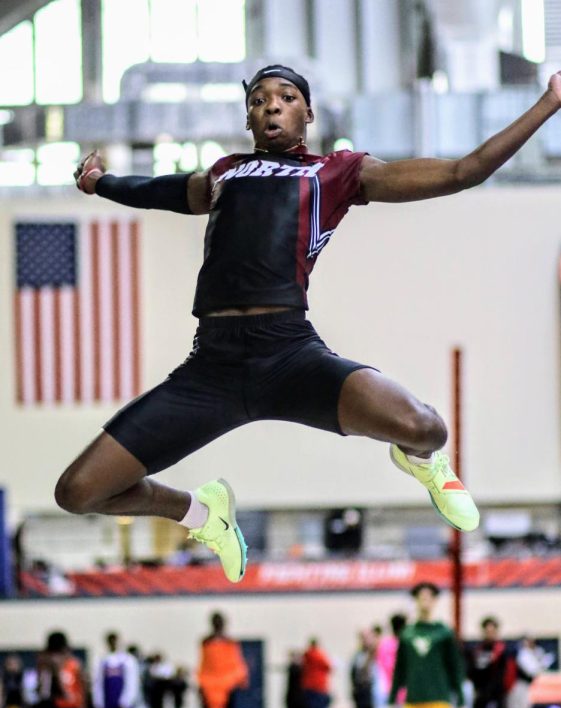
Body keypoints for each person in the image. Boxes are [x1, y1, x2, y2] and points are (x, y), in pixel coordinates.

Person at [53, 64, 561, 581]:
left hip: (290, 356)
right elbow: (159, 190)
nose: (270, 105)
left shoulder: (337, 173)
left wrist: (549, 104)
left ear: (308, 113)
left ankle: (421, 462)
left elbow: (464, 171)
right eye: (258, 99)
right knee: (78, 491)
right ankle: (204, 514)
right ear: (249, 118)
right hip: (213, 368)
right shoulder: (225, 172)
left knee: (426, 427)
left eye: (285, 96)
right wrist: (101, 182)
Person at [191, 612, 248, 708]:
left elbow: (235, 661)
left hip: (227, 681)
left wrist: (239, 678)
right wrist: (201, 681)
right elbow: (204, 662)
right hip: (209, 680)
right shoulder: (206, 641)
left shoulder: (230, 642)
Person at [507, 636, 554, 708]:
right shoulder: (522, 653)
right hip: (518, 686)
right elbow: (532, 670)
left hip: (525, 686)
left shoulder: (531, 652)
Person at [300, 637, 332, 708]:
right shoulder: (318, 655)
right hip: (318, 689)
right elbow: (328, 666)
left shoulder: (306, 656)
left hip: (308, 688)